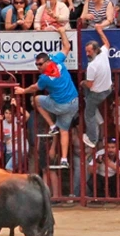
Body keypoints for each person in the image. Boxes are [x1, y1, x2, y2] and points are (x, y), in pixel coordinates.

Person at [14, 25, 77, 170]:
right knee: (65, 130)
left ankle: (52, 125)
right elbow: (66, 47)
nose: (38, 67)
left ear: (47, 61)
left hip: (62, 105)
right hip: (74, 102)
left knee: (36, 100)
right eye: (36, 65)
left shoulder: (44, 78)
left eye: (40, 64)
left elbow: (34, 88)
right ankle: (64, 159)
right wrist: (62, 32)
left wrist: (23, 91)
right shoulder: (57, 60)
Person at [81, 25, 113, 150]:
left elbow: (89, 84)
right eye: (86, 51)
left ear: (95, 50)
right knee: (89, 102)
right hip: (108, 89)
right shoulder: (103, 53)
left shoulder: (92, 66)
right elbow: (106, 43)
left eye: (89, 51)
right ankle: (99, 120)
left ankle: (92, 139)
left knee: (88, 114)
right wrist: (100, 31)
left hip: (97, 93)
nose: (87, 54)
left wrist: (83, 82)